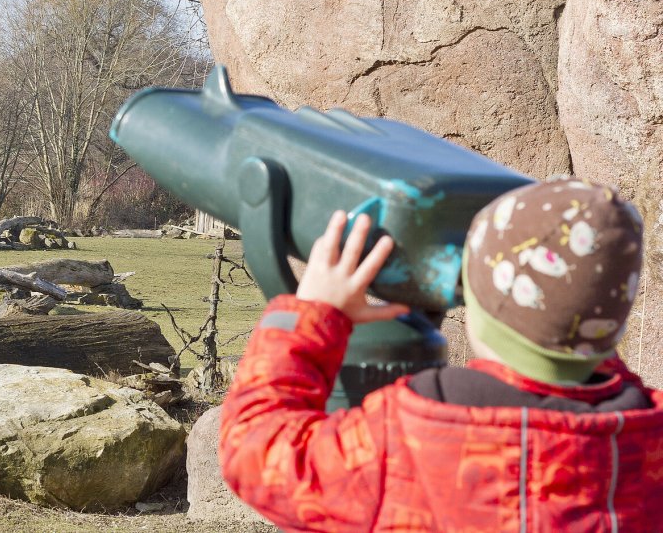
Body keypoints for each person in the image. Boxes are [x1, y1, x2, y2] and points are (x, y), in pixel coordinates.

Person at [219, 178, 663, 531]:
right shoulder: (648, 442)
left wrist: (313, 315)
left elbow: (257, 452)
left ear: (476, 297)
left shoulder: (406, 437)